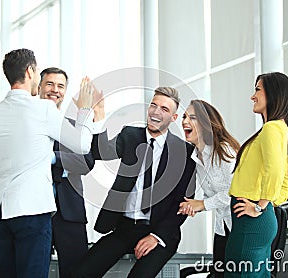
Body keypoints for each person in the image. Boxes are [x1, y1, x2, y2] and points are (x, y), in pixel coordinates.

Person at [0, 48, 95, 278]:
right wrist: (85, 109)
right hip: (32, 211)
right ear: (31, 72)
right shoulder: (43, 109)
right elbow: (82, 145)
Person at [72, 87, 197, 278]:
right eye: (153, 105)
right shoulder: (130, 136)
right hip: (125, 228)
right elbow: (98, 151)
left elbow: (184, 202)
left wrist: (156, 237)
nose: (156, 112)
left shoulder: (184, 152)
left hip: (160, 232)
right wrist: (98, 115)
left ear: (173, 117)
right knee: (81, 274)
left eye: (164, 109)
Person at [224, 72, 288, 277]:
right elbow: (284, 179)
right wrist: (268, 206)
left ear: (272, 94)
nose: (252, 96)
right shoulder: (279, 128)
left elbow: (275, 171)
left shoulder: (271, 129)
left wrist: (259, 206)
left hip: (252, 221)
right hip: (258, 220)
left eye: (257, 89)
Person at [39, 67, 95, 277]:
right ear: (39, 87)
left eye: (60, 86)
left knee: (76, 272)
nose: (55, 90)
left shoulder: (74, 127)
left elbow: (86, 162)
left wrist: (54, 159)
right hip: (36, 209)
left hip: (69, 213)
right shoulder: (28, 124)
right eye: (50, 84)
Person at [178, 100, 240, 278]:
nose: (185, 121)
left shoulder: (224, 150)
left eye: (192, 117)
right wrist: (194, 206)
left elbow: (234, 192)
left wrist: (202, 204)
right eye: (184, 117)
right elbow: (210, 195)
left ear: (205, 123)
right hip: (222, 226)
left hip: (240, 225)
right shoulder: (196, 157)